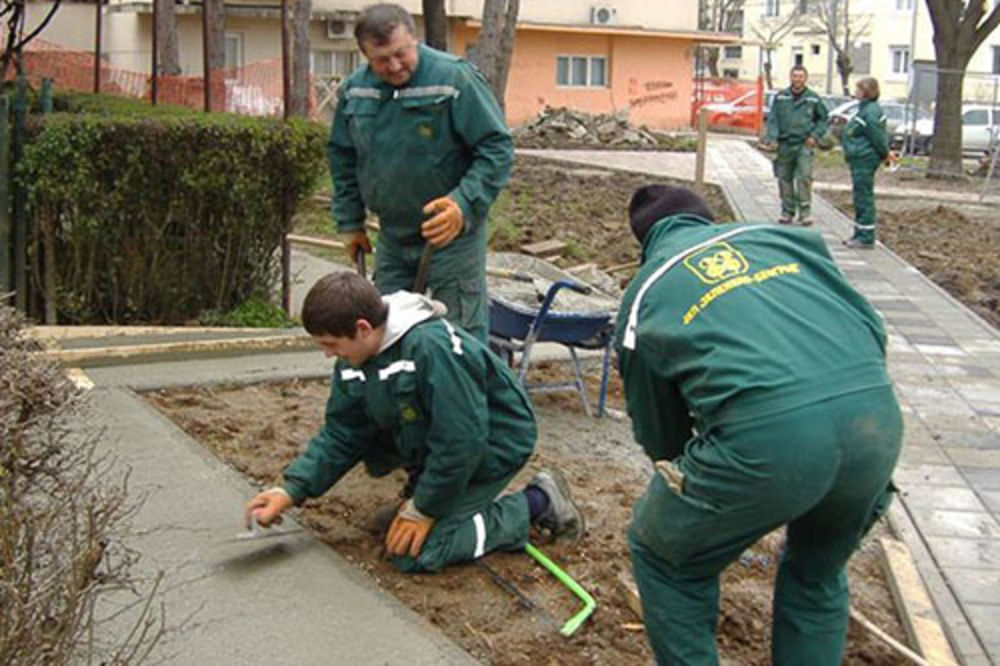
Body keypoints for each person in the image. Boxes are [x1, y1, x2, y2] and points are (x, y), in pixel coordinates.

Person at [615, 185, 901, 665]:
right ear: (708, 219)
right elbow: (871, 328)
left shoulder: (647, 290)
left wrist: (704, 490)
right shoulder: (788, 243)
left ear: (644, 242)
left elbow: (661, 435)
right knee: (816, 575)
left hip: (769, 441)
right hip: (875, 422)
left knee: (666, 558)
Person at [244, 273, 583, 573]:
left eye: (332, 345)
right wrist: (290, 490)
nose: (329, 355)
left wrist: (423, 509)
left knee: (418, 553)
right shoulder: (355, 358)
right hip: (439, 441)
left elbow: (461, 441)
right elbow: (342, 433)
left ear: (362, 328)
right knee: (394, 529)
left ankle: (540, 501)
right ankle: (434, 495)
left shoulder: (431, 348)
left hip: (493, 444)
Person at [329, 3, 513, 343]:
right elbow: (342, 156)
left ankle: (462, 395)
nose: (395, 66)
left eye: (402, 53)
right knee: (386, 332)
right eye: (382, 59)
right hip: (394, 236)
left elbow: (496, 148)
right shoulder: (357, 91)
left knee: (459, 337)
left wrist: (463, 204)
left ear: (414, 39)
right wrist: (349, 220)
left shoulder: (454, 80)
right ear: (365, 56)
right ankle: (399, 396)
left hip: (451, 236)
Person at [763, 65, 829, 226]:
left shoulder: (813, 98)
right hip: (785, 144)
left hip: (804, 144)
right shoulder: (781, 97)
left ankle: (805, 213)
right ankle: (787, 211)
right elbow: (773, 119)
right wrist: (772, 138)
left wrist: (815, 136)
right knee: (784, 178)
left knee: (804, 177)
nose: (797, 79)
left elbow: (823, 119)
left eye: (800, 76)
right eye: (795, 76)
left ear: (805, 78)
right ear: (790, 77)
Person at [841, 77, 893, 249]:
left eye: (858, 89)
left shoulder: (870, 112)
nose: (855, 92)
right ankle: (859, 232)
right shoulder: (864, 109)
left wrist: (885, 154)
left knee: (863, 196)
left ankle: (865, 236)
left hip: (865, 158)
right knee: (859, 195)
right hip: (859, 157)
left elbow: (877, 137)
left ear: (866, 91)